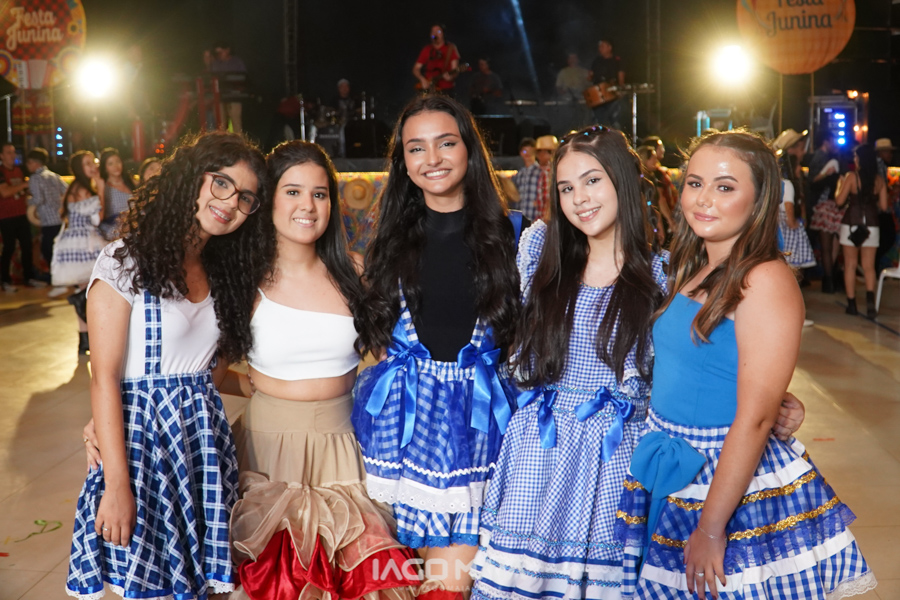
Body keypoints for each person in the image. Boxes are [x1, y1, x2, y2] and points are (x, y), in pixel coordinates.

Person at [471, 126, 806, 600]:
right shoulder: (547, 261)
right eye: (566, 187)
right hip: (543, 455)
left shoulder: (666, 274)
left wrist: (774, 403)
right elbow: (695, 356)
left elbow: (716, 362)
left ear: (624, 182)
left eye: (592, 180)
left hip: (625, 455)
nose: (579, 198)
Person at [616, 131, 875, 599]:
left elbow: (755, 418)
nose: (704, 199)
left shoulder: (764, 279)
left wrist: (711, 528)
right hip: (668, 463)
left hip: (722, 475)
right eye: (695, 183)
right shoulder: (692, 266)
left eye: (725, 187)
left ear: (759, 201)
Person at [66, 131, 269, 600]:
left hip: (201, 447)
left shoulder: (224, 272)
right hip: (141, 451)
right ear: (191, 179)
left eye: (245, 197)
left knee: (203, 587)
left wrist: (267, 384)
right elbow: (105, 378)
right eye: (222, 183)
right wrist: (117, 486)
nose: (230, 203)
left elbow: (206, 375)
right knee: (152, 582)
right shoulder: (124, 261)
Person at [218, 140, 417, 600]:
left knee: (362, 577)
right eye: (292, 192)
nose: (307, 205)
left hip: (346, 448)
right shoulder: (245, 277)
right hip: (265, 455)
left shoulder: (355, 272)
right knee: (277, 580)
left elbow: (393, 359)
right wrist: (253, 385)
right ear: (268, 200)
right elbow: (205, 367)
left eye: (319, 193)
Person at [351, 95, 522, 599]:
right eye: (416, 148)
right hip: (399, 430)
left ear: (469, 149)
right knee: (404, 583)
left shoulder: (516, 236)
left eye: (446, 143)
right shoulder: (387, 240)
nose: (432, 159)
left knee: (450, 586)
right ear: (403, 161)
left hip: (480, 430)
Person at [50, 151, 107, 355]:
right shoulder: (83, 189)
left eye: (93, 162)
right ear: (79, 168)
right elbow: (98, 219)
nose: (93, 166)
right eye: (87, 163)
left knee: (84, 289)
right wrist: (101, 189)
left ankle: (84, 339)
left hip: (75, 242)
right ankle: (90, 337)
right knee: (90, 290)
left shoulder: (74, 187)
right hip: (85, 243)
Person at [835, 143, 890, 318]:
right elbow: (884, 206)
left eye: (856, 157)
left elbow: (839, 201)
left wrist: (839, 186)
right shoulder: (879, 181)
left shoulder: (852, 177)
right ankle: (870, 304)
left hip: (852, 224)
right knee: (869, 267)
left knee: (850, 265)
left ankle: (852, 304)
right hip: (872, 225)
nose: (854, 159)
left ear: (860, 159)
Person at [0, 142, 42, 292]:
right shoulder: (1, 172)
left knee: (27, 246)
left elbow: (25, 190)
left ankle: (29, 278)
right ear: (1, 156)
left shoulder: (19, 170)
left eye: (13, 152)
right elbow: (4, 192)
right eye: (8, 152)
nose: (13, 155)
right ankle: (5, 280)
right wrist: (24, 185)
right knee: (9, 247)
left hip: (22, 214)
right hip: (6, 216)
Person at [25, 147, 68, 295]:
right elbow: (67, 191)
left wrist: (28, 202)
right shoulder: (54, 176)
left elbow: (38, 199)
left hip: (48, 220)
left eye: (28, 163)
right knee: (58, 250)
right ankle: (64, 279)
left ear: (34, 162)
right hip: (59, 218)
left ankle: (58, 280)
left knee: (47, 250)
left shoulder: (34, 178)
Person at [808, 131, 842, 293]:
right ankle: (830, 280)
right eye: (833, 140)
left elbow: (813, 182)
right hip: (830, 207)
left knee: (827, 247)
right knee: (831, 246)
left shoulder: (825, 157)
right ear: (826, 141)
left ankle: (828, 281)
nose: (835, 144)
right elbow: (813, 181)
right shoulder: (824, 158)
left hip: (824, 207)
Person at [98, 148, 136, 240]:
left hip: (135, 225)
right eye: (110, 164)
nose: (116, 166)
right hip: (114, 229)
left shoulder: (131, 182)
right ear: (105, 168)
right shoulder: (104, 188)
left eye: (117, 161)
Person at [210, 41, 248, 133]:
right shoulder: (216, 63)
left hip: (234, 96)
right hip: (219, 96)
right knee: (220, 124)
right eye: (217, 53)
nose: (219, 55)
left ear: (227, 50)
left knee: (236, 121)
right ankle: (222, 140)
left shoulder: (237, 62)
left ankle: (238, 140)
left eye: (221, 52)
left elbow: (244, 78)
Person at [588, 39, 625, 130]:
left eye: (602, 46)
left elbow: (621, 76)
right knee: (598, 118)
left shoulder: (616, 60)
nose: (600, 49)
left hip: (612, 93)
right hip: (598, 94)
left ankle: (615, 135)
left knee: (614, 119)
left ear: (609, 47)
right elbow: (591, 76)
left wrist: (620, 89)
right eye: (599, 47)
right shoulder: (597, 61)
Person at [413, 24, 461, 95]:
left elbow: (455, 70)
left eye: (438, 31)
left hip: (446, 90)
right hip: (430, 89)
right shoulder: (427, 49)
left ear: (443, 34)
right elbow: (416, 68)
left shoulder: (451, 48)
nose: (435, 34)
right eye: (433, 32)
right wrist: (422, 79)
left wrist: (451, 77)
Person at [512, 137, 543, 221]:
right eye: (525, 151)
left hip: (537, 219)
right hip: (521, 220)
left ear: (535, 153)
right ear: (520, 153)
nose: (527, 154)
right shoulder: (519, 175)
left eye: (530, 151)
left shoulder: (541, 172)